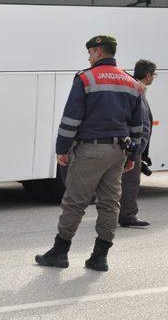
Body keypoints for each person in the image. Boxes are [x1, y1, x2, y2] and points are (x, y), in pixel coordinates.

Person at [35, 35, 144, 272]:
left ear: (97, 52)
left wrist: (61, 149)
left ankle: (59, 252)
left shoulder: (86, 78)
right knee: (110, 203)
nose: (88, 56)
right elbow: (138, 126)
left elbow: (72, 118)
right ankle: (100, 256)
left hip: (90, 150)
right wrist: (133, 157)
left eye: (90, 52)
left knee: (75, 201)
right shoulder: (132, 83)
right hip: (119, 151)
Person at [119, 59, 156, 228]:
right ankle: (128, 215)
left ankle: (117, 214)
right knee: (130, 183)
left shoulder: (129, 87)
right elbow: (142, 125)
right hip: (132, 147)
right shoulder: (138, 90)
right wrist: (138, 151)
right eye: (153, 74)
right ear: (148, 75)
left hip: (125, 145)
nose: (153, 77)